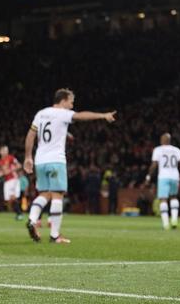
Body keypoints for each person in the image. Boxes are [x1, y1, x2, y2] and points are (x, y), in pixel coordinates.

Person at [23, 88, 116, 244]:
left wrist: (27, 157)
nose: (72, 106)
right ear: (63, 100)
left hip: (40, 160)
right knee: (58, 195)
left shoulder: (41, 113)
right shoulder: (63, 113)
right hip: (55, 160)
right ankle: (54, 236)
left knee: (44, 194)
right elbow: (82, 116)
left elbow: (31, 135)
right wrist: (103, 115)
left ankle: (32, 220)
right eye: (71, 102)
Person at [146, 133, 180, 230]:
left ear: (162, 140)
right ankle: (174, 220)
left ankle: (166, 224)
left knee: (163, 199)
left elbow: (154, 164)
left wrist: (148, 176)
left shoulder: (158, 150)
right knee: (173, 197)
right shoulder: (176, 150)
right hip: (175, 176)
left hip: (163, 176)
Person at [0, 146, 23, 220]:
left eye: (7, 150)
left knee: (12, 197)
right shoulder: (0, 161)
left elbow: (19, 165)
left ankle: (19, 214)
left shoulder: (11, 158)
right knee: (9, 199)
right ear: (0, 151)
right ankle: (19, 213)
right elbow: (2, 172)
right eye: (4, 150)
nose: (6, 152)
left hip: (13, 179)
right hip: (7, 181)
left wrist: (11, 170)